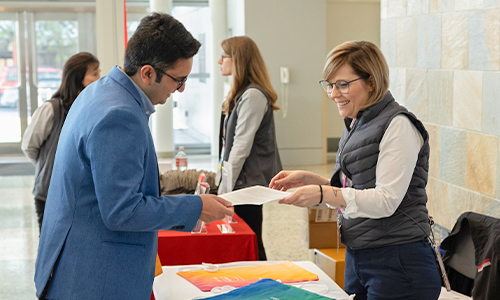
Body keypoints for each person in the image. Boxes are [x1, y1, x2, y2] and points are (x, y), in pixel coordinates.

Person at [34, 13, 234, 300]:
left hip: (74, 259)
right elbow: (121, 211)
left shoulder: (100, 91)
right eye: (178, 80)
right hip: (94, 276)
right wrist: (195, 207)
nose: (181, 89)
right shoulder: (120, 115)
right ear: (148, 73)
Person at [269, 41, 441, 299]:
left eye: (343, 84)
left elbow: (386, 201)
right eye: (330, 85)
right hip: (361, 254)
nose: (333, 94)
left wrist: (321, 193)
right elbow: (357, 190)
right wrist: (314, 181)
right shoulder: (357, 122)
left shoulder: (399, 125)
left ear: (371, 81)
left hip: (398, 260)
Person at [218, 36, 282, 260]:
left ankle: (263, 287)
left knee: (252, 240)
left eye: (224, 56)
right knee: (246, 238)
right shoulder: (240, 94)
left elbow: (241, 147)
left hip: (248, 182)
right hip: (241, 180)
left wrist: (224, 190)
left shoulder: (253, 95)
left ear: (238, 60)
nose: (219, 61)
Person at [21, 52, 101, 233]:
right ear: (78, 78)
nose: (100, 79)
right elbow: (30, 146)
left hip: (81, 196)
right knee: (51, 252)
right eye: (95, 74)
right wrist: (48, 166)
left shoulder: (93, 109)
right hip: (49, 195)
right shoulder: (51, 109)